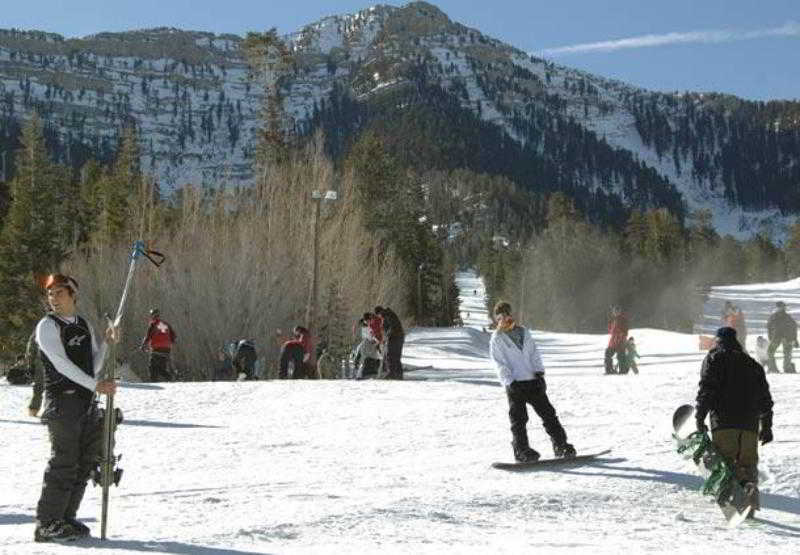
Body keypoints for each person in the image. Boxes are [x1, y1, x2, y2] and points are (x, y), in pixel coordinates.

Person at [33, 273, 119, 542]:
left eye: (59, 293)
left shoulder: (82, 324)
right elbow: (61, 364)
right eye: (50, 294)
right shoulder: (47, 326)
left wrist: (107, 342)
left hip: (85, 402)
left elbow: (91, 365)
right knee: (64, 461)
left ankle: (65, 517)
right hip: (62, 402)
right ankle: (47, 523)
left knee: (84, 463)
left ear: (72, 295)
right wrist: (95, 386)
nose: (53, 298)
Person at [695, 326, 773, 519]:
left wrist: (699, 416)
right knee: (748, 464)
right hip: (750, 426)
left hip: (724, 421)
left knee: (725, 463)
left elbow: (708, 388)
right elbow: (765, 398)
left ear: (718, 340)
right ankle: (751, 506)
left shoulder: (715, 359)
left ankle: (743, 491)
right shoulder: (753, 364)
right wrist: (767, 425)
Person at [489, 301, 576, 462]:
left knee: (549, 414)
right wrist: (510, 382)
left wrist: (539, 373)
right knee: (519, 420)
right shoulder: (497, 338)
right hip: (515, 384)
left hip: (532, 380)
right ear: (496, 319)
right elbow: (499, 363)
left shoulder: (524, 332)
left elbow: (534, 354)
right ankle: (521, 450)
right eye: (500, 317)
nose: (504, 319)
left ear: (511, 315)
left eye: (506, 315)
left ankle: (561, 445)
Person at [139, 308, 176, 382]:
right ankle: (171, 378)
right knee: (161, 368)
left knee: (152, 368)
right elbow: (173, 337)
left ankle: (154, 384)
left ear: (152, 316)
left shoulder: (153, 324)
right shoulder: (166, 324)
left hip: (157, 349)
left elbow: (148, 337)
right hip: (167, 350)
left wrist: (143, 346)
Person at [766, 301, 797, 373]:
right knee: (770, 352)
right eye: (780, 307)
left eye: (783, 307)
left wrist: (795, 339)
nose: (782, 308)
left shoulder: (787, 317)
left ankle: (787, 368)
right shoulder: (774, 317)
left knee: (787, 353)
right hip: (776, 337)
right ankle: (774, 368)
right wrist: (770, 337)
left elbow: (794, 327)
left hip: (785, 338)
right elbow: (768, 327)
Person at [375, 306, 404, 379]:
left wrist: (387, 335)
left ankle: (392, 373)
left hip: (395, 338)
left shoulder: (387, 315)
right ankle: (398, 374)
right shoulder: (388, 314)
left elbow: (392, 327)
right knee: (396, 356)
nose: (379, 317)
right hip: (397, 337)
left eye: (378, 315)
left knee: (390, 355)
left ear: (379, 313)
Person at [604, 306, 629, 375]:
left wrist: (621, 335)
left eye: (617, 311)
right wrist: (609, 323)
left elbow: (625, 331)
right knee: (608, 354)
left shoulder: (623, 319)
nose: (615, 313)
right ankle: (609, 370)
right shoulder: (613, 319)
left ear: (619, 312)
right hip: (613, 341)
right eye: (614, 311)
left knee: (621, 356)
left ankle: (623, 370)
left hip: (620, 341)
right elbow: (610, 330)